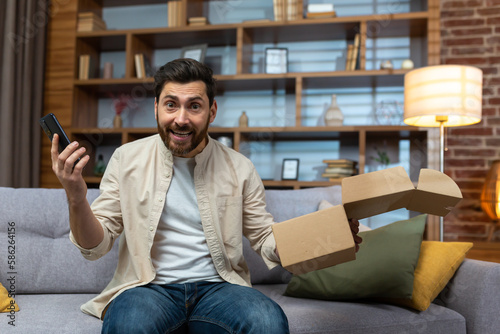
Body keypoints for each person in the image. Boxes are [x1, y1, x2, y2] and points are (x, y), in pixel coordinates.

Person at [51, 58, 362, 334]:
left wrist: (326, 238)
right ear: (156, 108)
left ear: (211, 111)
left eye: (194, 106)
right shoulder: (126, 158)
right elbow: (96, 246)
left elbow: (265, 238)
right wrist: (77, 197)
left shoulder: (240, 167)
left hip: (220, 290)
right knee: (129, 325)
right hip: (148, 288)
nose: (181, 118)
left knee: (268, 321)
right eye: (171, 104)